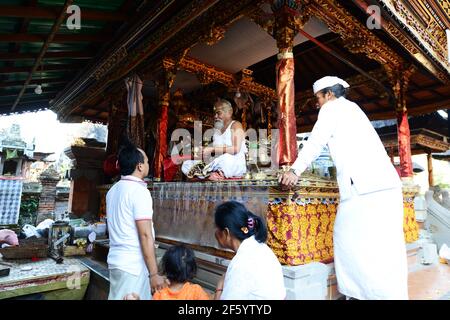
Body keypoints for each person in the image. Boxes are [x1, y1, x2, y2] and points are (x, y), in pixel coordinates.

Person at [279, 76, 408, 300]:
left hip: (365, 189)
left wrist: (294, 171)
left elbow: (315, 142)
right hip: (384, 185)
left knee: (346, 237)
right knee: (386, 248)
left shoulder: (332, 109)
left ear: (329, 94)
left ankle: (359, 294)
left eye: (318, 98)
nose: (316, 103)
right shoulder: (353, 108)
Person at [106, 142, 167, 300]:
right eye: (147, 161)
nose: (148, 164)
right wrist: (154, 273)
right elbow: (145, 235)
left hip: (116, 261)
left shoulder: (112, 190)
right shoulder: (139, 192)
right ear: (140, 166)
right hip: (133, 266)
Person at [213, 201, 286, 300]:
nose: (215, 233)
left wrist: (219, 287)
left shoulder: (240, 263)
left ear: (226, 233)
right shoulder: (262, 248)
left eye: (216, 228)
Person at [181, 99, 247, 180]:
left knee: (225, 159)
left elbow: (235, 149)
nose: (215, 116)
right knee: (186, 164)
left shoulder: (236, 125)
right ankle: (210, 175)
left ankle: (210, 173)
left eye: (218, 113)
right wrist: (205, 151)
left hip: (232, 162)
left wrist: (211, 149)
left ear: (229, 113)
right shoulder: (217, 130)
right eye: (214, 114)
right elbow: (215, 152)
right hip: (218, 162)